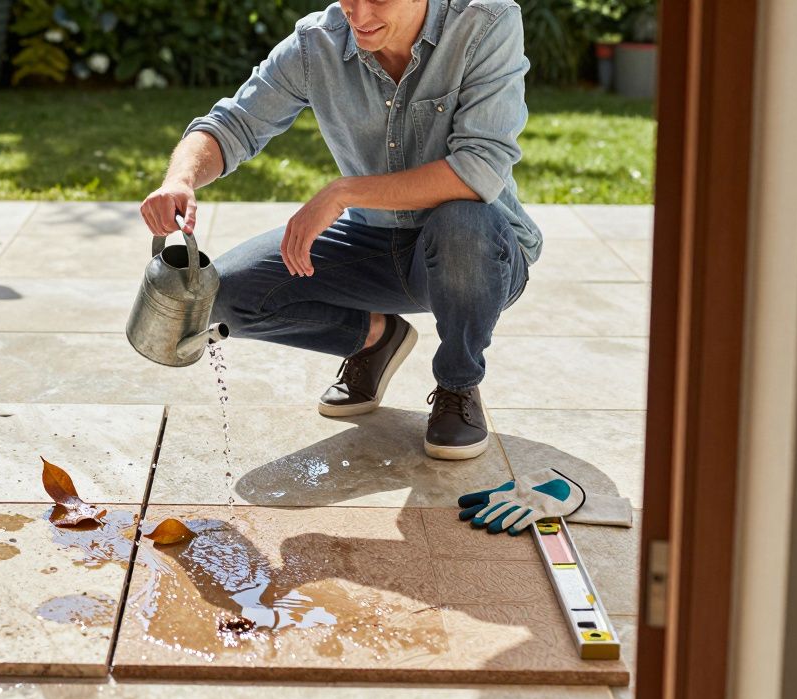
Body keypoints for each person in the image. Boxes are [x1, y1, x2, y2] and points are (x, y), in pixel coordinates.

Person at [140, 0, 541, 460]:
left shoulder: (485, 23)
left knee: (462, 223)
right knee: (225, 294)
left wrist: (343, 193)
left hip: (479, 251)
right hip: (373, 243)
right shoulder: (318, 44)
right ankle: (376, 338)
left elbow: (478, 170)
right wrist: (181, 178)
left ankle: (459, 385)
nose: (358, 13)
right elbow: (233, 123)